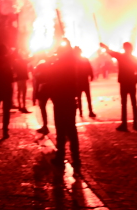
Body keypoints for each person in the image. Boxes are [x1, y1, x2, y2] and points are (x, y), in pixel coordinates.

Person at [51, 41, 81, 174]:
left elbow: (53, 82)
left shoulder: (59, 65)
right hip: (69, 100)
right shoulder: (72, 64)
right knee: (71, 130)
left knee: (61, 130)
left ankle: (61, 156)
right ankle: (76, 158)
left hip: (61, 100)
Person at [100, 40, 137, 131]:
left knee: (124, 104)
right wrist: (135, 80)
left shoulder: (122, 57)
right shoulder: (134, 58)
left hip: (124, 83)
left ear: (125, 48)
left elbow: (111, 53)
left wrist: (105, 47)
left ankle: (124, 124)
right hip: (131, 82)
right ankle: (135, 124)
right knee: (134, 103)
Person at [74, 46, 96, 118]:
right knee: (87, 97)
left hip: (79, 82)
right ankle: (89, 111)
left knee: (80, 98)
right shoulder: (84, 60)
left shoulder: (75, 61)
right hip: (83, 81)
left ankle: (81, 112)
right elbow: (90, 68)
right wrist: (91, 75)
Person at [33, 57, 53, 135]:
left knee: (42, 107)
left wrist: (35, 93)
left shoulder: (38, 67)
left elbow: (36, 81)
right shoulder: (51, 66)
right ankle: (62, 128)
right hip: (51, 87)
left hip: (43, 88)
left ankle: (45, 126)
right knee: (57, 107)